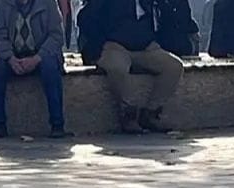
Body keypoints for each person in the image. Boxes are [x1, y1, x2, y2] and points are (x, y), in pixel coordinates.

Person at [79, 0, 185, 133]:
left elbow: (165, 20)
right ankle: (128, 113)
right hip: (116, 45)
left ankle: (151, 113)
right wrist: (98, 45)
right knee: (117, 67)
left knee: (173, 66)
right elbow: (85, 17)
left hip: (146, 46)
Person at [0, 0, 69, 138]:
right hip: (13, 56)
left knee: (50, 69)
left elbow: (56, 36)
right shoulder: (3, 4)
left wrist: (37, 58)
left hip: (41, 55)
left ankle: (57, 124)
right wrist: (10, 58)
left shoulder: (48, 3)